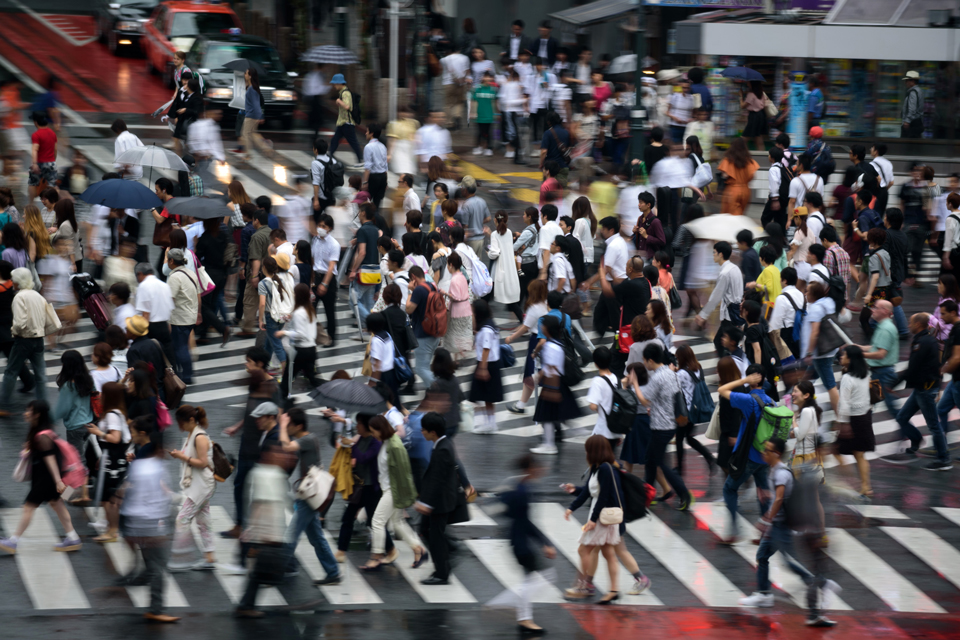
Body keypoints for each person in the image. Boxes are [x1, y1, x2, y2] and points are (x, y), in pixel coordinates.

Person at [737, 436, 830, 627]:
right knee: (763, 556)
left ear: (776, 454)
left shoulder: (781, 473)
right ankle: (764, 594)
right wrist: (768, 495)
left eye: (767, 450)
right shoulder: (775, 470)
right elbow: (780, 496)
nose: (764, 453)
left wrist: (765, 519)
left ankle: (819, 582)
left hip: (781, 525)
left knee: (788, 561)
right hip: (777, 525)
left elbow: (780, 499)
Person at [117, 417, 179, 622]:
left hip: (143, 524)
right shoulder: (152, 469)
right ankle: (156, 609)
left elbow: (127, 495)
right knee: (159, 567)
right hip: (150, 525)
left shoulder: (143, 466)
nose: (169, 451)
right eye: (167, 447)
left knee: (154, 565)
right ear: (160, 448)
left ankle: (138, 582)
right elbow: (142, 500)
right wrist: (156, 530)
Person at [0, 400, 82, 554]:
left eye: (29, 411)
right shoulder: (44, 432)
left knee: (28, 507)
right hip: (47, 479)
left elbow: (50, 460)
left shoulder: (42, 436)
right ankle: (73, 538)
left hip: (46, 480)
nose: (25, 413)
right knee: (57, 504)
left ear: (37, 414)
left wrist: (58, 482)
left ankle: (13, 541)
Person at [275, 407, 341, 585]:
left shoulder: (307, 440)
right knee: (316, 538)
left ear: (298, 426)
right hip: (308, 495)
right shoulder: (306, 439)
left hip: (309, 497)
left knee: (290, 536)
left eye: (289, 425)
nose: (287, 428)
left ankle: (273, 572)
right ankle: (333, 572)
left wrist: (282, 425)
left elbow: (286, 446)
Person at [220, 351, 282, 539]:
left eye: (249, 362)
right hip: (246, 442)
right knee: (240, 485)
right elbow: (251, 409)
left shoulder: (272, 387)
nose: (246, 365)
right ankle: (240, 524)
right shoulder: (254, 383)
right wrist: (237, 426)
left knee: (259, 489)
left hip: (261, 446)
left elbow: (278, 416)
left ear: (260, 363)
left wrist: (274, 440)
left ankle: (259, 529)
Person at [561, 435, 627, 604]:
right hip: (601, 516)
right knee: (608, 553)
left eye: (587, 450)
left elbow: (604, 496)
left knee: (583, 550)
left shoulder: (605, 468)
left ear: (594, 451)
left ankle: (582, 587)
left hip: (602, 518)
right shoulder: (596, 467)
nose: (586, 453)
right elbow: (587, 492)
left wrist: (593, 519)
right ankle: (613, 590)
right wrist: (572, 507)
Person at [233, 440, 293, 617]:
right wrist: (262, 535)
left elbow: (281, 504)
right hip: (267, 534)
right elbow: (260, 506)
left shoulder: (276, 473)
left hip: (273, 533)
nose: (281, 456)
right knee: (262, 573)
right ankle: (245, 606)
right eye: (277, 453)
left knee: (259, 573)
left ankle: (246, 605)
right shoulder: (262, 474)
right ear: (266, 455)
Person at [361, 415, 426, 571]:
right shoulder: (386, 442)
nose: (373, 435)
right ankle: (419, 550)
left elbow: (405, 473)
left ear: (381, 429)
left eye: (373, 431)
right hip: (388, 489)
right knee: (397, 523)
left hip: (393, 491)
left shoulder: (395, 446)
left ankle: (376, 556)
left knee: (377, 522)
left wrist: (409, 497)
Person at [717, 365, 773, 543]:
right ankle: (766, 532)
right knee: (763, 491)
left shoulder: (748, 400)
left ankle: (733, 531)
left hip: (749, 457)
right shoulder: (771, 401)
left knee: (729, 488)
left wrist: (743, 381)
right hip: (765, 456)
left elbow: (722, 390)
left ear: (752, 379)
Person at [414, 412, 467, 586]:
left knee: (435, 537)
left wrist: (426, 504)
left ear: (433, 432)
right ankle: (450, 550)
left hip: (439, 503)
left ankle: (442, 573)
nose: (421, 432)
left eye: (424, 429)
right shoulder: (442, 444)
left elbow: (438, 480)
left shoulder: (442, 449)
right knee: (426, 530)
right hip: (437, 501)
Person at [167, 404, 217, 571]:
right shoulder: (192, 434)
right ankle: (209, 557)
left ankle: (181, 558)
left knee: (182, 519)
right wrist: (180, 455)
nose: (179, 426)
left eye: (181, 423)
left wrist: (182, 457)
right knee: (203, 520)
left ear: (190, 420)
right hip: (199, 484)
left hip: (202, 486)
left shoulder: (199, 437)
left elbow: (202, 462)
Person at [895, 313, 948, 468]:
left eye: (910, 323)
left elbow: (913, 367)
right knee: (902, 417)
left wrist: (894, 383)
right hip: (922, 388)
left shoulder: (922, 342)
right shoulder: (926, 339)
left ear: (918, 324)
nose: (908, 326)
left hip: (925, 389)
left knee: (933, 425)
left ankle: (943, 459)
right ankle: (916, 440)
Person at [49, 350, 96, 506]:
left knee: (76, 461)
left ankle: (80, 494)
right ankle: (72, 491)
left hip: (75, 427)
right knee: (79, 458)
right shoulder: (88, 380)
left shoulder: (68, 386)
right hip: (89, 424)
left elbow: (62, 409)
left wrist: (49, 421)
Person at [530, 315, 582, 455]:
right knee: (553, 414)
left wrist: (550, 388)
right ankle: (552, 441)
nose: (541, 327)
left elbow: (551, 368)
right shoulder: (556, 343)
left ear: (547, 328)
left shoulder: (550, 346)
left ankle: (549, 444)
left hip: (552, 384)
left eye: (543, 325)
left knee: (547, 416)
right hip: (555, 384)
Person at [0, 268, 48, 417]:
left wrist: (14, 331)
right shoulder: (37, 295)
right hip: (38, 339)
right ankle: (42, 407)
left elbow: (20, 323)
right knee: (40, 375)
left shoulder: (19, 297)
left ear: (18, 281)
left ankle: (3, 405)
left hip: (23, 340)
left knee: (11, 372)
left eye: (13, 280)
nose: (12, 282)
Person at [835, 346, 874, 496]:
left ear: (850, 359)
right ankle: (866, 486)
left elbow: (844, 403)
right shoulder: (866, 373)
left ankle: (858, 483)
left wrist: (843, 423)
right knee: (860, 454)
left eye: (844, 355)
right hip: (865, 416)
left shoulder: (847, 378)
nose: (841, 357)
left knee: (836, 450)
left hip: (853, 419)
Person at [674, 344, 717, 475]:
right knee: (688, 437)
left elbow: (673, 386)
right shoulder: (698, 368)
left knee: (680, 439)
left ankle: (680, 468)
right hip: (695, 408)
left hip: (685, 410)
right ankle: (709, 458)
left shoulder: (681, 374)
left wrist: (672, 372)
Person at [696, 242, 744, 356]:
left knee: (720, 342)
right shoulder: (735, 268)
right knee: (725, 343)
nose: (713, 255)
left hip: (729, 314)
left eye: (714, 252)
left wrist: (703, 315)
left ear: (721, 254)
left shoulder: (724, 273)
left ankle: (729, 364)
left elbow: (715, 297)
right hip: (736, 312)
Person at [275, 283, 323, 398]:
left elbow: (300, 334)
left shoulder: (299, 313)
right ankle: (329, 398)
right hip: (311, 349)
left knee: (287, 379)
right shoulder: (310, 310)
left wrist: (284, 333)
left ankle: (281, 402)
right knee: (313, 380)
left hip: (300, 351)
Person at [165, 249, 200, 386]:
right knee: (181, 345)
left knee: (180, 347)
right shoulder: (191, 273)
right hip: (190, 316)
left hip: (180, 318)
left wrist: (166, 318)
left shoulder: (174, 277)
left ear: (171, 261)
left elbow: (170, 300)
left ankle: (187, 375)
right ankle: (183, 372)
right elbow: (198, 295)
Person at [194, 218, 231, 347]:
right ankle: (203, 333)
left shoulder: (205, 238)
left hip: (209, 275)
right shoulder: (223, 236)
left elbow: (197, 258)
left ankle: (222, 329)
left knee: (204, 306)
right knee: (211, 305)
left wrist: (196, 244)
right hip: (222, 274)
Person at [470, 299, 503, 434]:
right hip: (487, 364)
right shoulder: (488, 324)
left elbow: (486, 348)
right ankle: (489, 423)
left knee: (483, 395)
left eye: (473, 312)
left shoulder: (487, 329)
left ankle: (489, 423)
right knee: (485, 396)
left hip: (488, 365)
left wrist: (482, 368)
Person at [133, 262, 175, 369]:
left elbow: (145, 314)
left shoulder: (143, 286)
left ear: (140, 273)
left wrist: (141, 334)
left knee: (154, 360)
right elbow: (170, 309)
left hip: (151, 327)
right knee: (169, 358)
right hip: (164, 326)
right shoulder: (164, 285)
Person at [258, 255, 294, 372]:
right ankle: (263, 366)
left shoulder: (262, 283)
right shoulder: (280, 280)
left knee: (277, 345)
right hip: (280, 317)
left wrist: (260, 319)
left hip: (270, 317)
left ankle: (286, 370)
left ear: (264, 267)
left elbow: (262, 304)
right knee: (269, 343)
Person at [311, 213, 340, 348]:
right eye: (319, 225)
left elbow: (331, 267)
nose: (321, 228)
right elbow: (313, 260)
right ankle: (312, 336)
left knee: (329, 310)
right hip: (316, 277)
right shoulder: (315, 240)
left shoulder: (334, 244)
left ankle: (331, 338)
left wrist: (324, 284)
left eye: (324, 226)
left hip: (328, 279)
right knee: (311, 309)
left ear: (329, 228)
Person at [239, 69, 275, 162]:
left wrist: (261, 116)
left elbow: (256, 104)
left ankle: (248, 155)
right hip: (252, 114)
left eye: (246, 73)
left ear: (250, 76)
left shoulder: (252, 89)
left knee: (245, 134)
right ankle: (267, 148)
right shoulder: (251, 87)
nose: (244, 75)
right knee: (252, 134)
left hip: (251, 115)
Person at [718, 138, 758, 216]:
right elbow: (753, 176)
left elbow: (724, 175)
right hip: (746, 190)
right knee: (741, 214)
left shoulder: (728, 160)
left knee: (730, 216)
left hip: (732, 190)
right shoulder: (749, 161)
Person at [329, 73, 363, 163]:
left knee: (353, 142)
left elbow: (347, 107)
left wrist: (339, 101)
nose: (334, 85)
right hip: (343, 122)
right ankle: (329, 157)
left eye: (335, 83)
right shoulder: (343, 92)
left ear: (340, 83)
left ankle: (361, 160)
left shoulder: (345, 93)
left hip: (347, 123)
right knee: (334, 141)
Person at [28, 112, 57, 200]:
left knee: (33, 183)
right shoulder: (52, 133)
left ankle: (31, 204)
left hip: (39, 163)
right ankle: (55, 204)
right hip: (51, 162)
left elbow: (35, 149)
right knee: (52, 185)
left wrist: (34, 164)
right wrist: (53, 161)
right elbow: (55, 149)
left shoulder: (36, 135)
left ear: (36, 122)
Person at [361, 124, 388, 210]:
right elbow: (385, 164)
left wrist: (365, 182)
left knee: (366, 202)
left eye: (367, 131)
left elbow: (368, 166)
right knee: (377, 203)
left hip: (373, 177)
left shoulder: (368, 147)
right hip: (382, 177)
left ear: (371, 133)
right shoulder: (383, 146)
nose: (366, 133)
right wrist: (386, 181)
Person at [740, 81, 767, 151]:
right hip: (761, 115)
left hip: (754, 117)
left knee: (744, 138)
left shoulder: (751, 94)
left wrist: (741, 96)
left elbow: (742, 106)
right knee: (758, 138)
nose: (747, 83)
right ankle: (762, 155)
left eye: (749, 82)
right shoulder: (761, 94)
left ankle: (740, 153)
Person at [901, 70, 924, 139]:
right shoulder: (919, 91)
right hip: (917, 123)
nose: (905, 83)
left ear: (912, 81)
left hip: (912, 124)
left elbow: (912, 109)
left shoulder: (913, 93)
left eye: (907, 80)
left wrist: (907, 121)